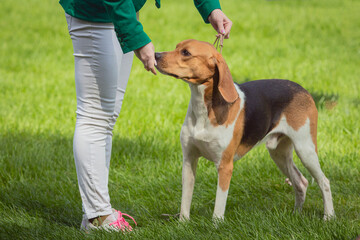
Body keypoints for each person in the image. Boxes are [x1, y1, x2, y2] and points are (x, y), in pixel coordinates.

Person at [60, 0, 232, 232]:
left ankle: (96, 213)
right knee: (95, 116)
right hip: (96, 12)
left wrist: (211, 7)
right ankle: (98, 216)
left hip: (123, 11)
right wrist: (136, 37)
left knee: (106, 117)